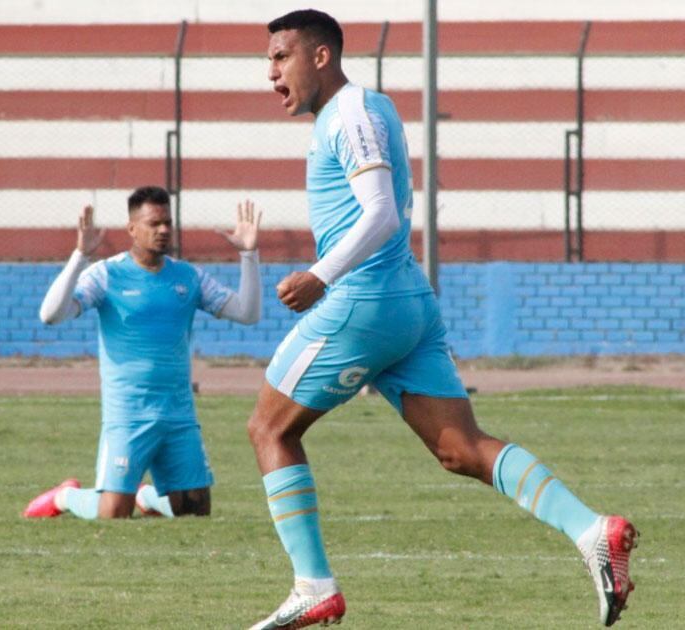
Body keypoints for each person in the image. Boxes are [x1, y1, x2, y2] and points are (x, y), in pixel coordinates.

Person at [246, 10, 638, 629]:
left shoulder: (350, 113)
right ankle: (593, 530)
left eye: (280, 57)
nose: (271, 73)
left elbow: (378, 214)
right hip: (407, 303)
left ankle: (313, 585)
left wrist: (322, 274)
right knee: (461, 450)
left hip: (365, 300)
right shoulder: (362, 111)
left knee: (269, 430)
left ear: (320, 56)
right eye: (268, 60)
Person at [22, 187, 262, 520]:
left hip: (178, 413)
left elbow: (247, 313)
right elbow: (50, 315)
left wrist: (249, 255)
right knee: (112, 515)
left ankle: (147, 497)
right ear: (132, 228)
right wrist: (80, 256)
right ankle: (65, 497)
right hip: (127, 415)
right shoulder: (107, 275)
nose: (163, 230)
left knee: (194, 513)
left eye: (167, 223)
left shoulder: (188, 276)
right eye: (153, 223)